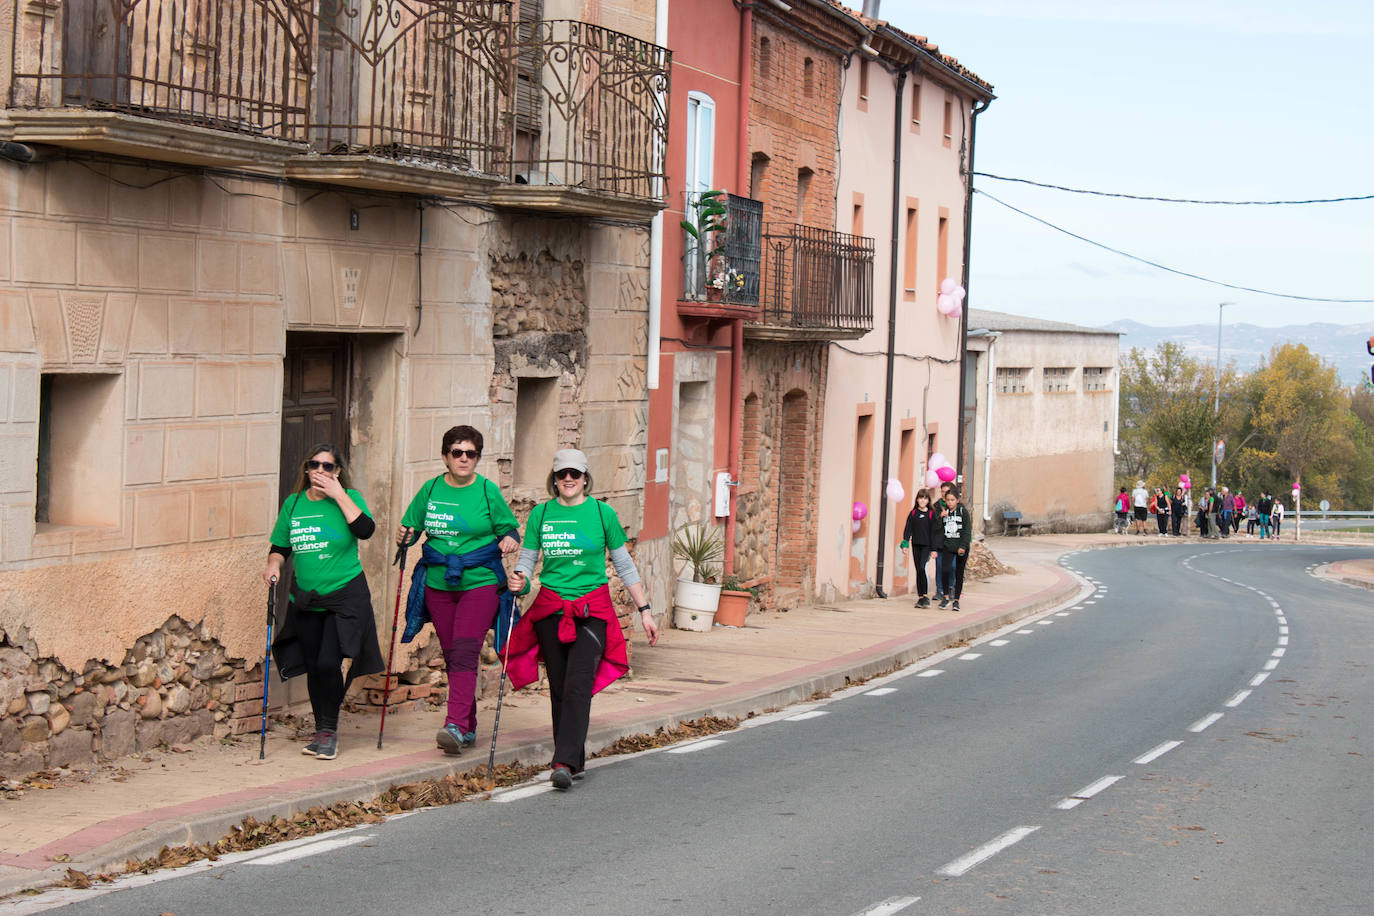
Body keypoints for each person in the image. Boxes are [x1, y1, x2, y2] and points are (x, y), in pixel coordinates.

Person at [506, 449, 658, 790]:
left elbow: (624, 565)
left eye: (575, 474)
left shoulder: (602, 513)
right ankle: (574, 759)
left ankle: (562, 762)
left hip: (593, 611)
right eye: (562, 475)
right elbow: (528, 561)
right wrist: (520, 579)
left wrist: (644, 610)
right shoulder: (541, 514)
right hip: (551, 609)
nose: (568, 480)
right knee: (559, 688)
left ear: (586, 477)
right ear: (554, 479)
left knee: (577, 684)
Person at [397, 425, 520, 755]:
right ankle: (467, 727)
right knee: (453, 655)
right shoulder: (432, 488)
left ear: (477, 458)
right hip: (438, 583)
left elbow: (509, 528)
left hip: (479, 581)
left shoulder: (486, 490)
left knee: (466, 650)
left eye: (471, 454)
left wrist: (509, 539)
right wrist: (405, 537)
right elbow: (412, 526)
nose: (464, 459)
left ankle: (452, 724)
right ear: (445, 456)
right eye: (458, 452)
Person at [264, 444, 384, 761]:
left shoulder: (349, 499)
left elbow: (366, 530)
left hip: (345, 594)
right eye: (314, 465)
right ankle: (322, 730)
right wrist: (274, 565)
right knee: (316, 665)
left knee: (329, 661)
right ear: (306, 469)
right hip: (306, 597)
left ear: (337, 472)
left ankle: (329, 731)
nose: (320, 471)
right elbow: (280, 546)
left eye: (327, 466)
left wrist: (339, 494)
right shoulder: (293, 504)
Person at [900, 488, 944, 607]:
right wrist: (905, 544)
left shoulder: (931, 514)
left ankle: (925, 595)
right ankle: (920, 597)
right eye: (921, 498)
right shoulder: (913, 513)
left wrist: (934, 549)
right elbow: (908, 529)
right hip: (916, 545)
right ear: (917, 499)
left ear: (928, 500)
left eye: (925, 498)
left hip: (927, 546)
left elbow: (934, 533)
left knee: (921, 568)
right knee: (918, 570)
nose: (923, 501)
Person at [936, 486, 973, 611]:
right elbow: (937, 529)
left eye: (952, 500)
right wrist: (940, 517)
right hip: (948, 545)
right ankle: (946, 597)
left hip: (961, 547)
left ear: (957, 500)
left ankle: (956, 600)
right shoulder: (945, 512)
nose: (950, 502)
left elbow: (967, 531)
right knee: (945, 570)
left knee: (959, 572)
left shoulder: (963, 512)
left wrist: (963, 546)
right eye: (948, 500)